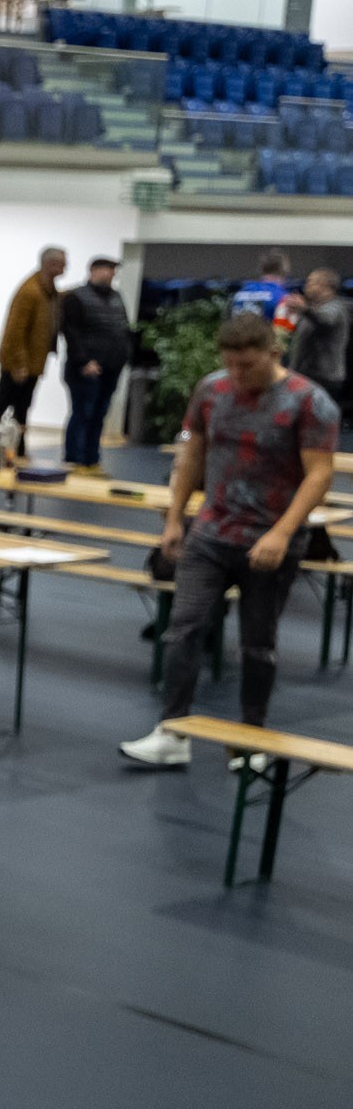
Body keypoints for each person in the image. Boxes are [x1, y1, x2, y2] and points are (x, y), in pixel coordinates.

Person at [121, 309, 340, 766]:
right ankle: (172, 731)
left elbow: (319, 475)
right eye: (231, 364)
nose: (238, 374)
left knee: (258, 644)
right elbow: (192, 456)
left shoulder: (309, 401)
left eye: (249, 365)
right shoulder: (212, 390)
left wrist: (282, 533)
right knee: (183, 629)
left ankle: (250, 739)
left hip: (270, 540)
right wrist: (175, 519)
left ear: (273, 353)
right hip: (211, 532)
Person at [58, 255, 134, 469]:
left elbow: (123, 328)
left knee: (100, 414)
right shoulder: (76, 297)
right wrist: (84, 361)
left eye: (113, 270)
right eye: (108, 269)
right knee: (83, 412)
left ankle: (91, 458)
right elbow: (71, 333)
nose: (112, 274)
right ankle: (74, 458)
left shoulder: (116, 297)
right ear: (93, 270)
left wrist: (124, 355)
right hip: (86, 368)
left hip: (112, 366)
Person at [0, 247, 63, 457]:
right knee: (1, 406)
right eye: (62, 264)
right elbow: (15, 330)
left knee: (22, 408)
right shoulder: (30, 291)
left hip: (32, 363)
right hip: (20, 365)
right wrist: (18, 364)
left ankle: (18, 449)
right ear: (50, 264)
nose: (65, 268)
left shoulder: (47, 290)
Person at [285, 265, 348, 413]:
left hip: (323, 378)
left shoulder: (335, 308)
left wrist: (304, 309)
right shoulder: (313, 309)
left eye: (310, 282)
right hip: (306, 375)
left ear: (323, 286)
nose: (306, 286)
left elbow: (326, 320)